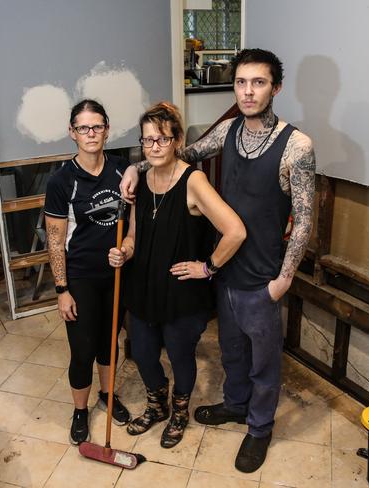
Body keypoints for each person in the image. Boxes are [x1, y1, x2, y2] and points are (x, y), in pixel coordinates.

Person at [120, 49, 316, 472]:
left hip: (263, 276)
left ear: (275, 87)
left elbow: (304, 221)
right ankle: (236, 405)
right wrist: (135, 168)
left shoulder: (296, 146)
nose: (248, 91)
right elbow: (178, 153)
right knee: (232, 354)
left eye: (258, 82)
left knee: (264, 364)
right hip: (224, 273)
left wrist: (284, 279)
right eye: (242, 82)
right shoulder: (227, 130)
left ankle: (259, 429)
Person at [109, 102, 245, 448]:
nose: (154, 147)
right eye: (147, 140)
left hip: (182, 293)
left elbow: (235, 231)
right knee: (141, 351)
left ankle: (180, 412)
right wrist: (123, 251)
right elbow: (134, 236)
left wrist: (208, 267)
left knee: (180, 355)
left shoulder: (193, 180)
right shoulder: (141, 180)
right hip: (144, 286)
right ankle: (158, 405)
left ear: (178, 139)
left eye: (162, 140)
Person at [44, 99, 131, 445]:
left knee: (110, 344)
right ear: (72, 133)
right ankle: (80, 411)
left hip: (116, 275)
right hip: (79, 278)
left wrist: (126, 250)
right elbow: (54, 240)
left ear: (107, 129)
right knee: (82, 349)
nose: (91, 133)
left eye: (97, 126)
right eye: (83, 128)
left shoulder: (124, 170)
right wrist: (61, 289)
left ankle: (108, 396)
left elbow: (134, 220)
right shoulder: (62, 181)